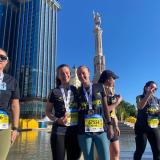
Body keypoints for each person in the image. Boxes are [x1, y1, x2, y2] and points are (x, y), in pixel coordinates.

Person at [77, 65, 113, 160]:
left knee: (105, 158)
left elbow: (105, 107)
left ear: (89, 73)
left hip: (101, 130)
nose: (81, 75)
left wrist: (110, 126)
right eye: (79, 74)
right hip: (84, 132)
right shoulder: (78, 91)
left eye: (83, 73)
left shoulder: (99, 86)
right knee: (88, 158)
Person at [46, 64, 81, 160]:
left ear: (70, 74)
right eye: (62, 73)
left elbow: (81, 108)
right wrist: (58, 120)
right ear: (58, 76)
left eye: (67, 72)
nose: (65, 75)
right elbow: (48, 111)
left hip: (74, 132)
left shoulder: (76, 90)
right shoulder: (54, 91)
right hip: (59, 132)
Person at [0, 49, 20, 160]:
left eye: (3, 57)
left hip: (3, 127)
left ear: (6, 62)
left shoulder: (12, 81)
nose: (0, 59)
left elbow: (15, 105)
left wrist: (15, 129)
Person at [98, 70, 122, 160]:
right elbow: (105, 110)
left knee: (116, 151)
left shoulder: (111, 92)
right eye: (114, 79)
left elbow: (113, 113)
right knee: (101, 154)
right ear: (108, 79)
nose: (115, 81)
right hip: (101, 124)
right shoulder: (99, 90)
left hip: (111, 123)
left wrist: (116, 125)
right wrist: (117, 102)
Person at [134, 81, 160, 160]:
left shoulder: (157, 100)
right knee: (140, 150)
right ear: (146, 87)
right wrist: (148, 95)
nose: (154, 90)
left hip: (154, 127)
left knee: (158, 151)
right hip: (141, 128)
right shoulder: (139, 97)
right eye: (152, 88)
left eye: (155, 89)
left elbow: (158, 112)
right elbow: (140, 107)